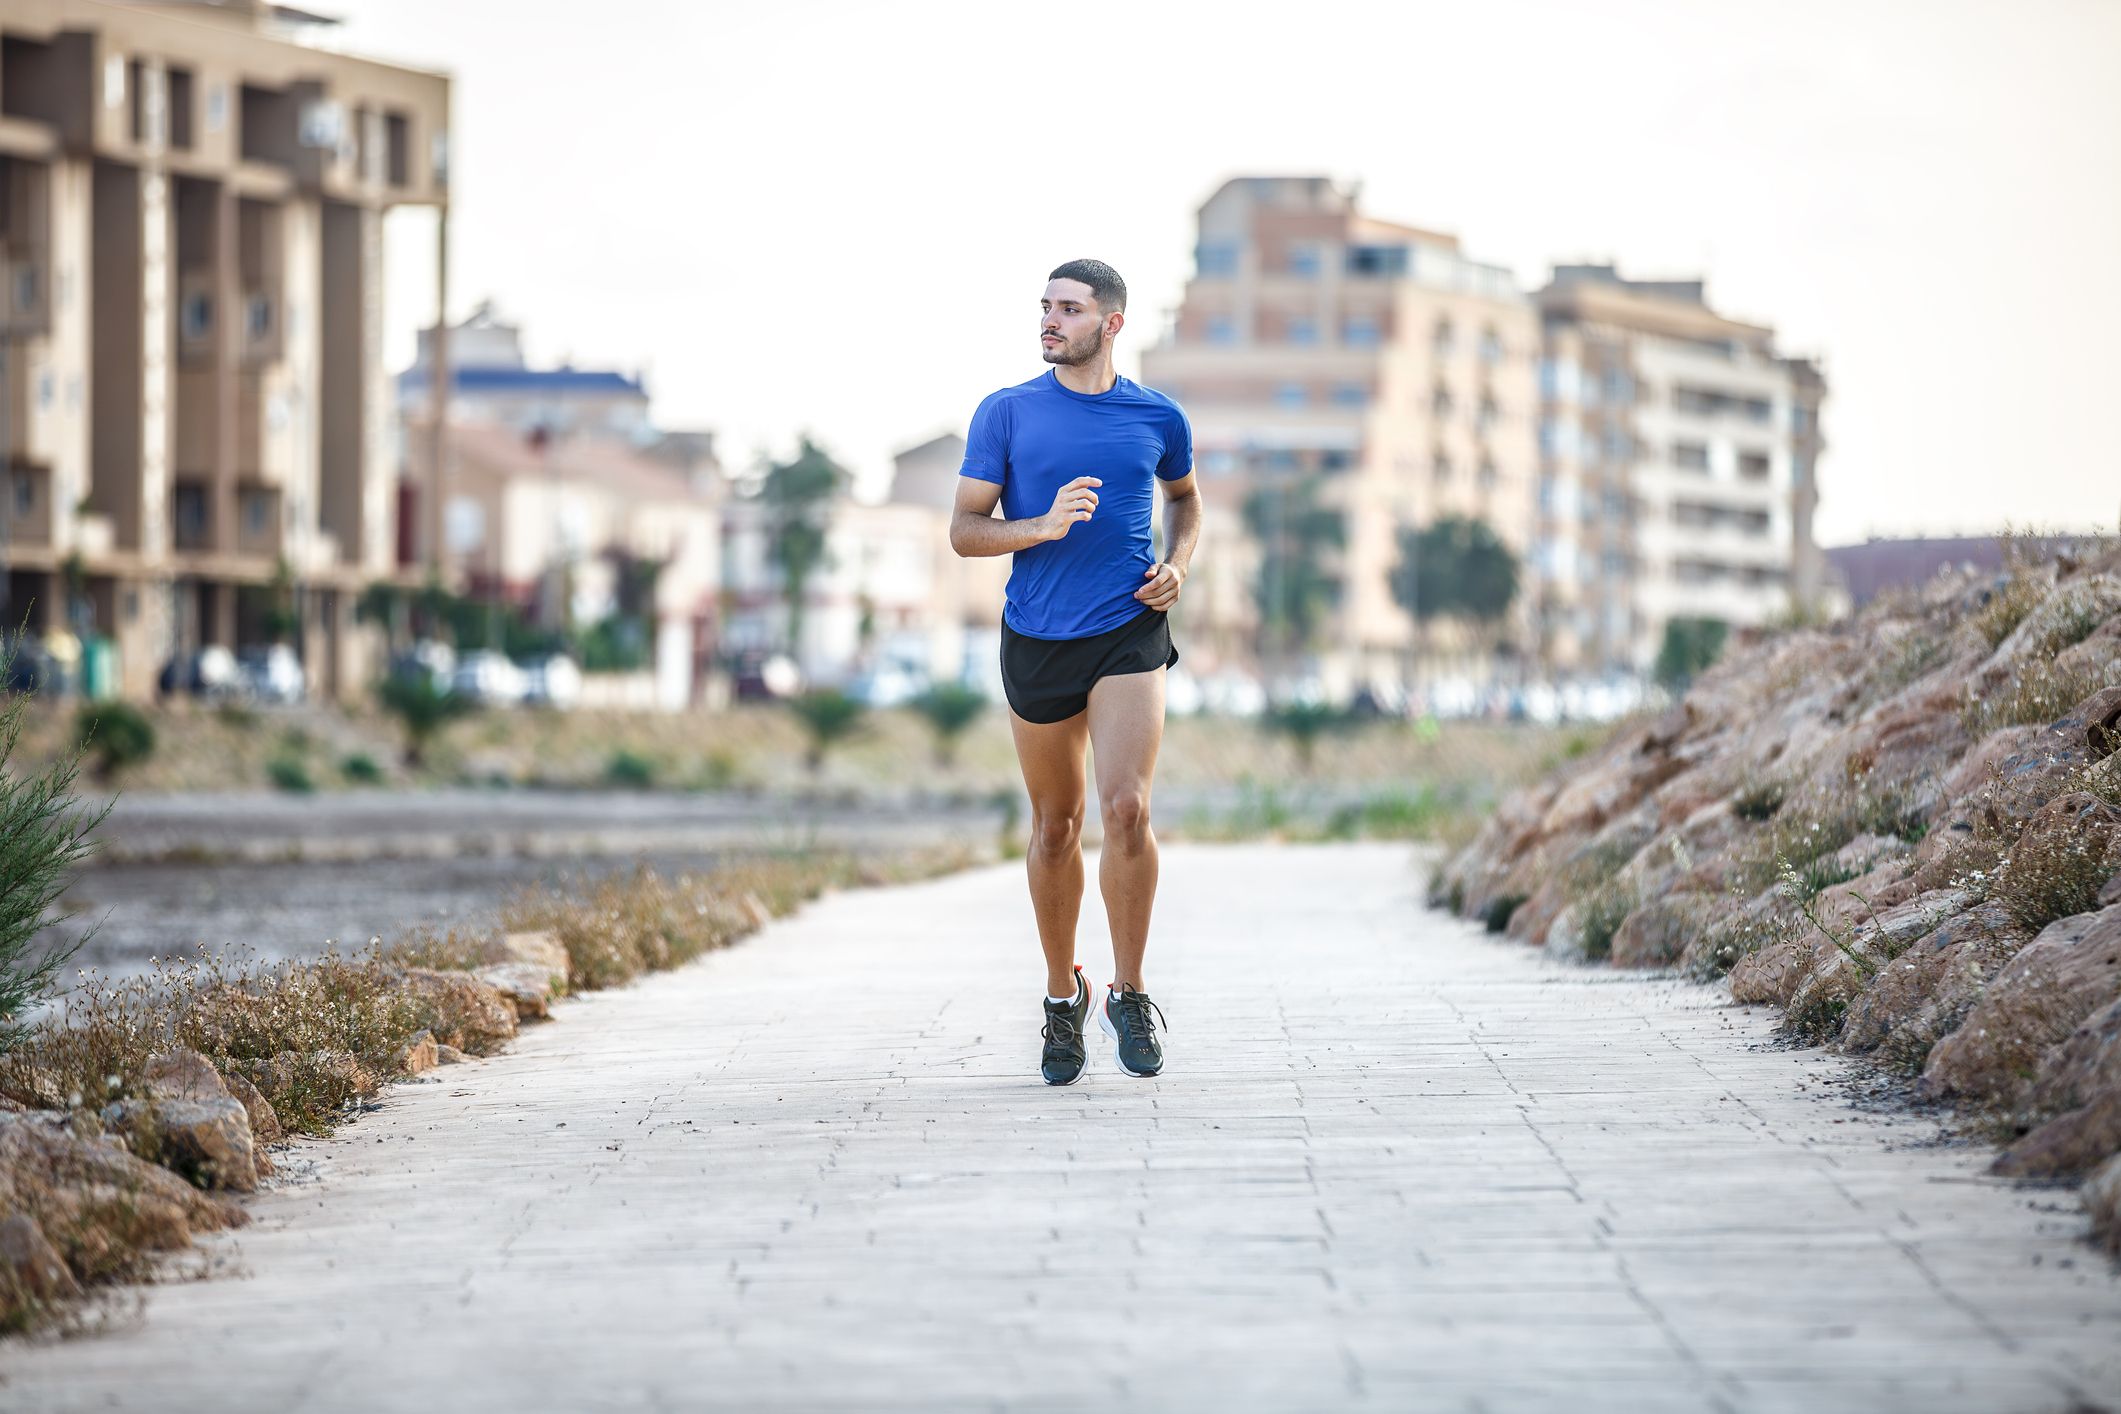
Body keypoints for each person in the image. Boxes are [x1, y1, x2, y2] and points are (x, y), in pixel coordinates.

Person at [949, 258, 1203, 1086]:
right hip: (1036, 635)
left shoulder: (1156, 416)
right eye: (1046, 308)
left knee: (1125, 808)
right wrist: (1040, 526)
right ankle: (1064, 999)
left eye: (1068, 308)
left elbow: (1187, 500)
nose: (1050, 321)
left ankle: (1129, 990)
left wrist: (1181, 562)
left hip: (1129, 626)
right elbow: (964, 530)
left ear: (1112, 323)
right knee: (1055, 826)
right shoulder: (1008, 412)